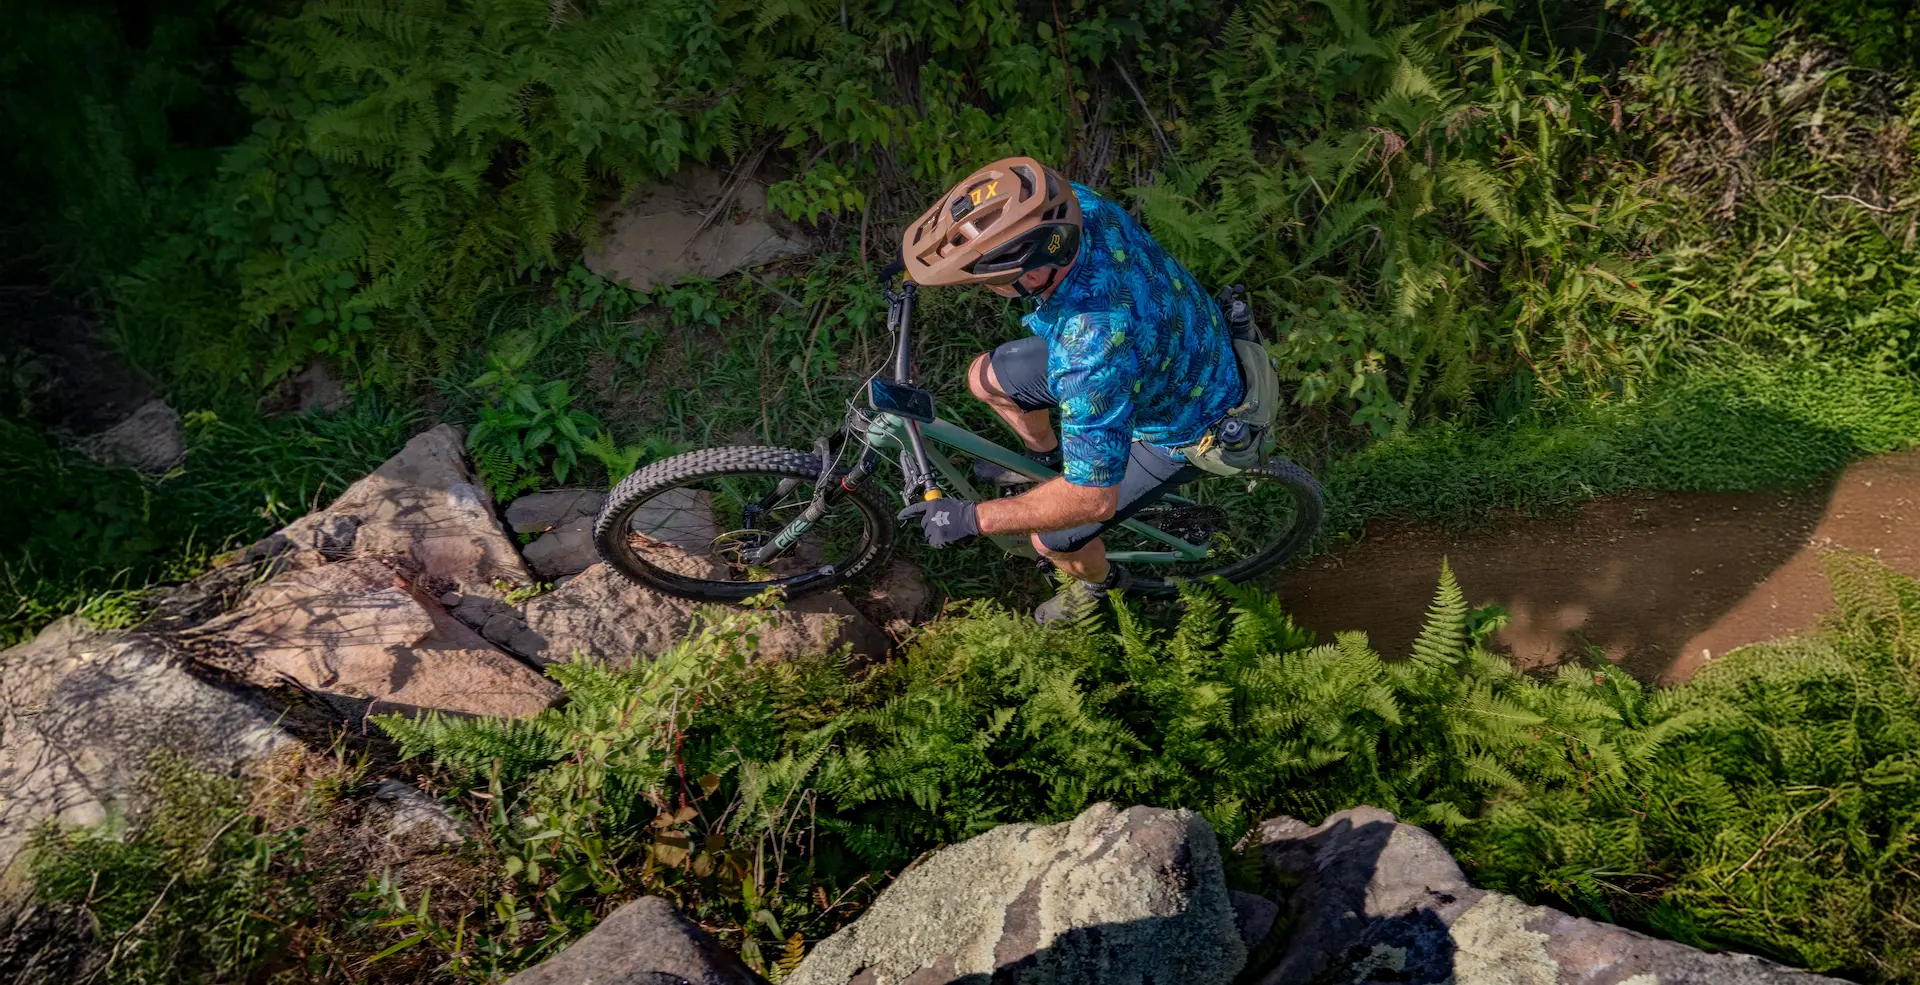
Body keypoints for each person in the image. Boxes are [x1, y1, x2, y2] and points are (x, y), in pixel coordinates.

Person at [894, 156, 1244, 624]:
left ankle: (1096, 586)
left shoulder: (1089, 354)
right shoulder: (1074, 208)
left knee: (1052, 538)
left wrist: (971, 519)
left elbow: (1092, 499)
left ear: (1032, 274)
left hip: (1185, 420)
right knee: (986, 378)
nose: (983, 287)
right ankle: (1046, 461)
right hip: (1174, 341)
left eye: (984, 279)